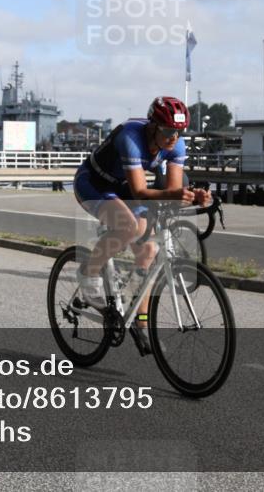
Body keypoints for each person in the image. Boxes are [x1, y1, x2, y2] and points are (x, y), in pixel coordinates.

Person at [73, 96, 211, 354]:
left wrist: (194, 196)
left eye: (180, 132)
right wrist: (178, 194)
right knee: (128, 226)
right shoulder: (131, 137)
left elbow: (172, 191)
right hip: (93, 183)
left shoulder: (176, 144)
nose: (174, 137)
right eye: (168, 131)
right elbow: (139, 191)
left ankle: (141, 321)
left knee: (149, 250)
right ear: (152, 127)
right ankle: (88, 273)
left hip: (122, 187)